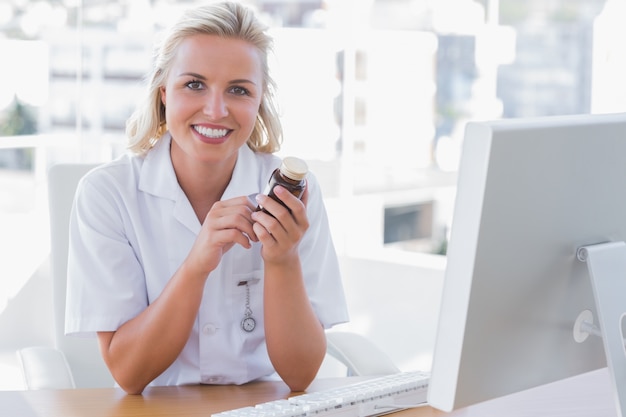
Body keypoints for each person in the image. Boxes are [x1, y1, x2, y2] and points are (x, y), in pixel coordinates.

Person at [65, 1, 348, 395]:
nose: (215, 110)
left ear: (259, 101)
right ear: (164, 93)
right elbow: (128, 374)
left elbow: (300, 375)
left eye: (238, 90)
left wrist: (282, 261)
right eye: (194, 84)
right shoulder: (107, 194)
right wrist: (197, 265)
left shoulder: (295, 196)